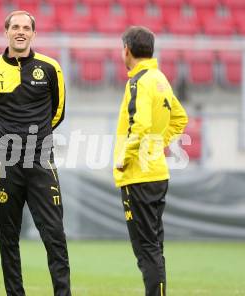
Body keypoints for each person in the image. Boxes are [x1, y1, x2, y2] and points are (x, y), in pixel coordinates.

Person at [0, 10, 71, 296]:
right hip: (6, 163)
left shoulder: (51, 67)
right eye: (15, 27)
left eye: (26, 28)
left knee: (54, 234)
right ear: (6, 32)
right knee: (7, 236)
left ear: (33, 34)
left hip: (40, 160)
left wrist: (35, 139)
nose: (20, 31)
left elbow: (59, 112)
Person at [113, 26, 188, 296]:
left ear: (127, 51)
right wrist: (158, 144)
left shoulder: (138, 81)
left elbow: (141, 124)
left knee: (146, 249)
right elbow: (181, 118)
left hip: (139, 177)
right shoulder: (160, 78)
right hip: (157, 174)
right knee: (155, 246)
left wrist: (127, 155)